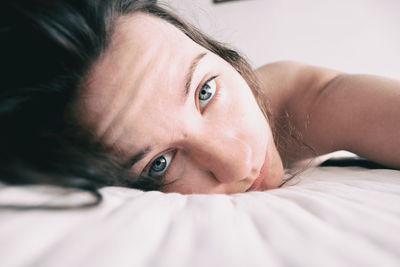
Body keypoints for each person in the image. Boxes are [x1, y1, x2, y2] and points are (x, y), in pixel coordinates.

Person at [1, 0, 399, 198]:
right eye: (160, 163)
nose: (238, 162)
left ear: (215, 51)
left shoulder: (308, 98)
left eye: (205, 90)